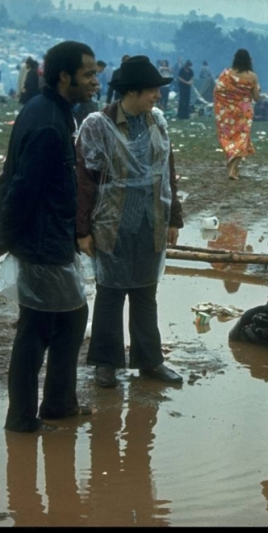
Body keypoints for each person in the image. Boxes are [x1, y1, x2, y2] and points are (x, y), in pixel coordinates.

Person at [0, 40, 99, 433]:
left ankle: (58, 404)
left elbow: (9, 173)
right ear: (65, 76)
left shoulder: (46, 110)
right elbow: (23, 186)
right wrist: (4, 236)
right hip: (42, 243)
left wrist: (0, 225)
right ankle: (23, 419)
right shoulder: (48, 122)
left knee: (67, 320)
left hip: (49, 237)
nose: (95, 82)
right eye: (88, 75)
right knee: (38, 330)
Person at [74, 55, 184, 389]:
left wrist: (174, 218)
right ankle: (105, 363)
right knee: (110, 293)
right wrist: (82, 230)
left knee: (145, 293)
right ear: (132, 92)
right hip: (113, 221)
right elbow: (84, 180)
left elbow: (167, 171)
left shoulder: (157, 122)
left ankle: (150, 361)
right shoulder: (98, 125)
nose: (158, 96)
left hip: (151, 219)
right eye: (152, 90)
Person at [213, 48, 260, 180]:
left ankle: (232, 164)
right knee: (242, 139)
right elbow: (256, 98)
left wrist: (225, 104)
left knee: (229, 137)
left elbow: (217, 91)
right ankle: (233, 170)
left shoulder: (226, 74)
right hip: (244, 113)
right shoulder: (252, 77)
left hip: (227, 113)